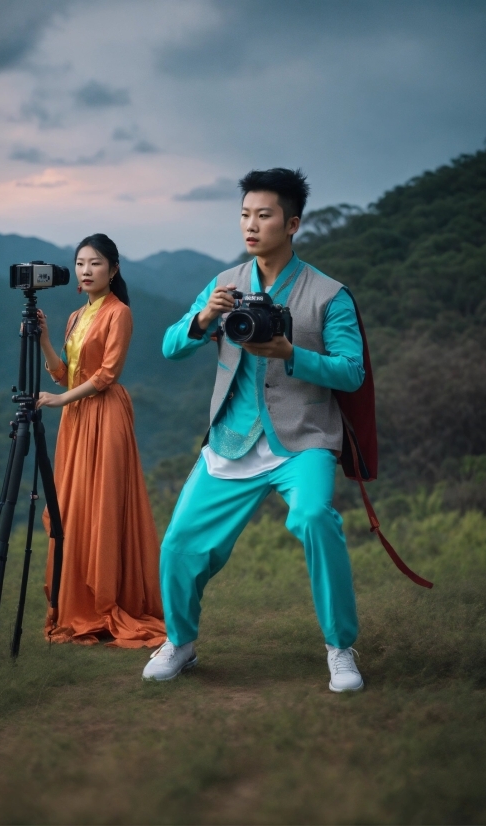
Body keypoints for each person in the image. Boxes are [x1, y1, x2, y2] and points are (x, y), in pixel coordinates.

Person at [143, 168, 366, 689]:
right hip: (231, 437)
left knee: (314, 517)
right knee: (179, 542)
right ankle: (180, 642)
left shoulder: (329, 294)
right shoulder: (223, 284)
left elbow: (351, 372)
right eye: (245, 214)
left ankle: (340, 647)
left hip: (303, 437)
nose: (251, 225)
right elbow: (169, 346)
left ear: (292, 224)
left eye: (263, 215)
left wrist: (293, 353)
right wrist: (204, 321)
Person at [36, 233, 166, 648]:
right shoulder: (76, 317)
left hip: (105, 415)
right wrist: (43, 338)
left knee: (103, 505)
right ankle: (76, 600)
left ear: (113, 268)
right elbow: (64, 372)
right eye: (80, 264)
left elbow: (106, 375)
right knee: (72, 507)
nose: (86, 271)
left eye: (94, 263)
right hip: (75, 419)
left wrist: (60, 401)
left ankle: (109, 598)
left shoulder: (119, 312)